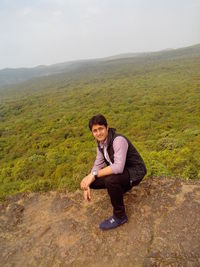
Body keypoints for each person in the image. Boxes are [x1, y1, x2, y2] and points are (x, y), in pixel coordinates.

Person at [80, 114, 147, 230]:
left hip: (135, 171)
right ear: (92, 133)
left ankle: (120, 216)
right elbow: (98, 163)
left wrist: (94, 175)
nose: (98, 133)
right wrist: (87, 183)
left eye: (101, 128)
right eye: (95, 131)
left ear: (107, 127)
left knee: (111, 180)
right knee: (91, 181)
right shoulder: (100, 144)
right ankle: (119, 190)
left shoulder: (118, 140)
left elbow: (118, 167)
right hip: (123, 172)